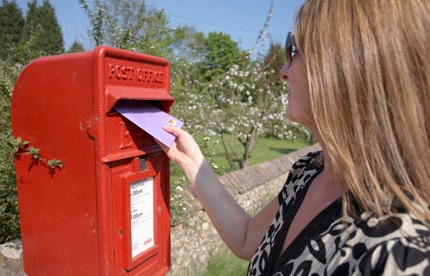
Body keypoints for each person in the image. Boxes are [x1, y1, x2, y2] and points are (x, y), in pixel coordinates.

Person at [159, 0, 430, 274]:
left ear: (344, 67)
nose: (283, 72)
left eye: (294, 50)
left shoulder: (401, 251)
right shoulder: (308, 171)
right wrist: (193, 164)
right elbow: (245, 238)